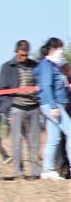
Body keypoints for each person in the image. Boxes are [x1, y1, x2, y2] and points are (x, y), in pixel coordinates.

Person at [0, 40, 40, 178]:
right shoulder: (7, 67)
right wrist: (8, 108)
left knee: (34, 141)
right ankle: (19, 172)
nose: (24, 58)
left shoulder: (35, 66)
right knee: (17, 141)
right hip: (16, 107)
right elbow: (3, 90)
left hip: (33, 107)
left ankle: (35, 171)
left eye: (26, 55)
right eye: (21, 55)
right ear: (16, 52)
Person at [35, 38, 71, 179]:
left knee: (53, 139)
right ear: (52, 49)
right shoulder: (46, 65)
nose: (61, 52)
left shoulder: (54, 65)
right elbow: (45, 86)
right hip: (52, 104)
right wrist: (53, 106)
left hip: (55, 104)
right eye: (60, 49)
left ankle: (47, 170)